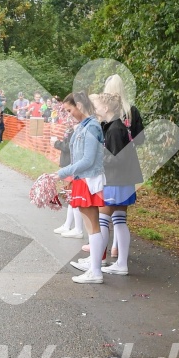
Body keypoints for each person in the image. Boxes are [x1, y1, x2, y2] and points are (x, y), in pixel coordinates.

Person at [52, 92, 105, 284]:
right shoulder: (84, 126)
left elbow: (88, 159)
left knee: (93, 226)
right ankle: (94, 268)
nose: (68, 114)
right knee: (91, 226)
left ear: (80, 105)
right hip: (83, 179)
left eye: (69, 110)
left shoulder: (91, 127)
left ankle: (96, 271)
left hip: (89, 180)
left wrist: (62, 172)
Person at [91, 92, 143, 276]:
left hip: (116, 179)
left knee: (103, 219)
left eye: (96, 107)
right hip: (124, 180)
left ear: (106, 108)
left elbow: (116, 158)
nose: (95, 110)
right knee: (119, 220)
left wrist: (98, 159)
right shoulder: (117, 127)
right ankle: (120, 263)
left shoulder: (114, 130)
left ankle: (96, 263)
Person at [50, 126, 84, 239]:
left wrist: (57, 143)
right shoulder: (72, 127)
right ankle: (68, 224)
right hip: (68, 166)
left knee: (73, 198)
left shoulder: (78, 129)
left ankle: (78, 228)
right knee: (70, 198)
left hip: (72, 167)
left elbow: (70, 147)